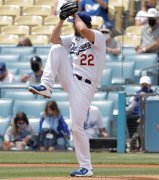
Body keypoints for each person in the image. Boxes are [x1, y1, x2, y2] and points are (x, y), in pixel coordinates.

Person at [28, 2, 106, 176]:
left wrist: (76, 14)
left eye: (74, 22)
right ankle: (47, 86)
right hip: (71, 79)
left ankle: (86, 167)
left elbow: (84, 30)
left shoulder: (98, 36)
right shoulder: (74, 39)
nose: (73, 25)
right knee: (56, 48)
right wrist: (62, 20)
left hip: (86, 85)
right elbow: (53, 39)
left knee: (76, 126)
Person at [135, 8, 159, 85]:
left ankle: (157, 87)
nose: (151, 20)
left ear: (157, 18)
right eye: (149, 18)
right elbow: (142, 43)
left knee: (158, 66)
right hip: (145, 55)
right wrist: (139, 48)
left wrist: (144, 49)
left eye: (152, 18)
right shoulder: (144, 29)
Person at [126, 76, 154, 151]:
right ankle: (133, 139)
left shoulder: (153, 94)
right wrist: (138, 97)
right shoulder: (136, 94)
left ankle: (140, 140)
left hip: (149, 116)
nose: (144, 86)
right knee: (129, 117)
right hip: (137, 115)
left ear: (150, 86)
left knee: (144, 121)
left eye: (146, 85)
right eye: (142, 85)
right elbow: (130, 107)